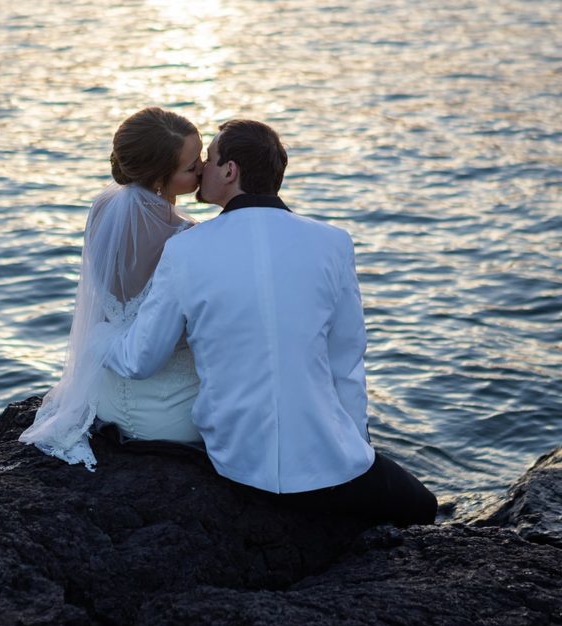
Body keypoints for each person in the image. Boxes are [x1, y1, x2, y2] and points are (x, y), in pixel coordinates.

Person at [103, 119, 437, 527]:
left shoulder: (186, 250)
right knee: (424, 508)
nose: (203, 167)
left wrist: (100, 339)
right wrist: (355, 443)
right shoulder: (333, 242)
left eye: (211, 158)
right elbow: (346, 360)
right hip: (330, 466)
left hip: (238, 464)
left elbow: (140, 360)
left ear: (230, 171)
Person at [20, 107, 205, 469]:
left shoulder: (104, 209)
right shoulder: (187, 237)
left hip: (102, 400)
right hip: (172, 416)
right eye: (191, 165)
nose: (202, 166)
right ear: (157, 179)